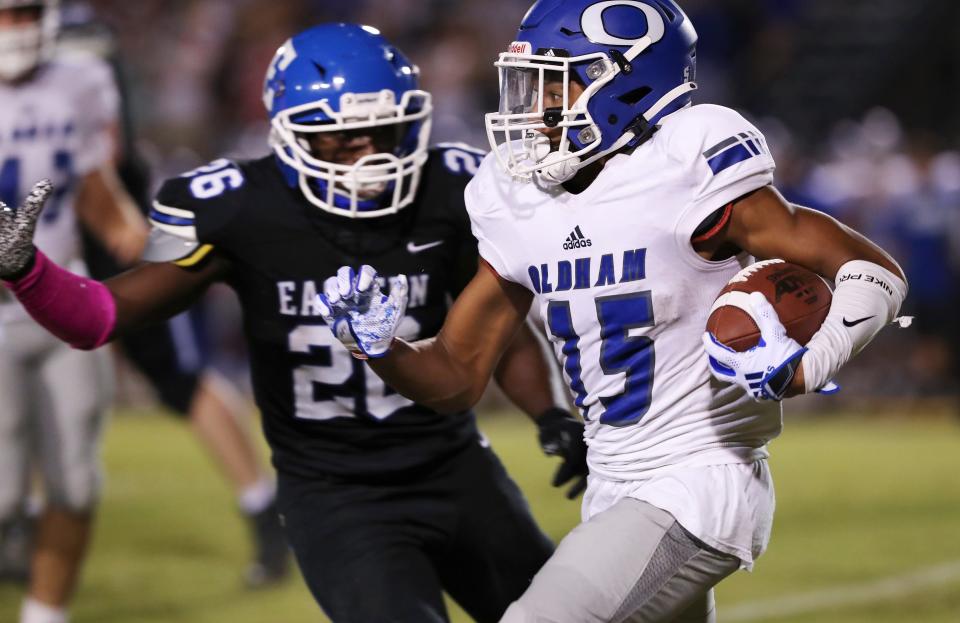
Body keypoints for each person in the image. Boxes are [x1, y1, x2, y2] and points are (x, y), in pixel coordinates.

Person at [313, 1, 909, 622]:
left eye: (555, 81)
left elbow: (871, 272)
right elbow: (458, 375)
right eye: (527, 82)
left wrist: (810, 366)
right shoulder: (515, 199)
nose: (534, 105)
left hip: (698, 483)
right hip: (613, 486)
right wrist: (382, 346)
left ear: (627, 81)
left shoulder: (685, 163)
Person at [0, 23, 588, 623]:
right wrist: (27, 269)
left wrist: (547, 414)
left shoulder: (453, 188)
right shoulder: (239, 207)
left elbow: (497, 326)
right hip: (337, 496)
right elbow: (100, 317)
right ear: (288, 137)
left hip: (458, 469)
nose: (367, 155)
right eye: (338, 139)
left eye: (381, 131)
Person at [57, 10, 289, 587]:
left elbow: (101, 151)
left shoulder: (74, 39)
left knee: (181, 374)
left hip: (114, 223)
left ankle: (264, 509)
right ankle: (25, 516)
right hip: (50, 229)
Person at [0, 1, 144, 621]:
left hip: (62, 301)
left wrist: (140, 236)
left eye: (25, 13)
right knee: (1, 494)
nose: (16, 29)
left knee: (76, 484)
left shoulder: (83, 79)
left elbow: (89, 181)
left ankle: (44, 616)